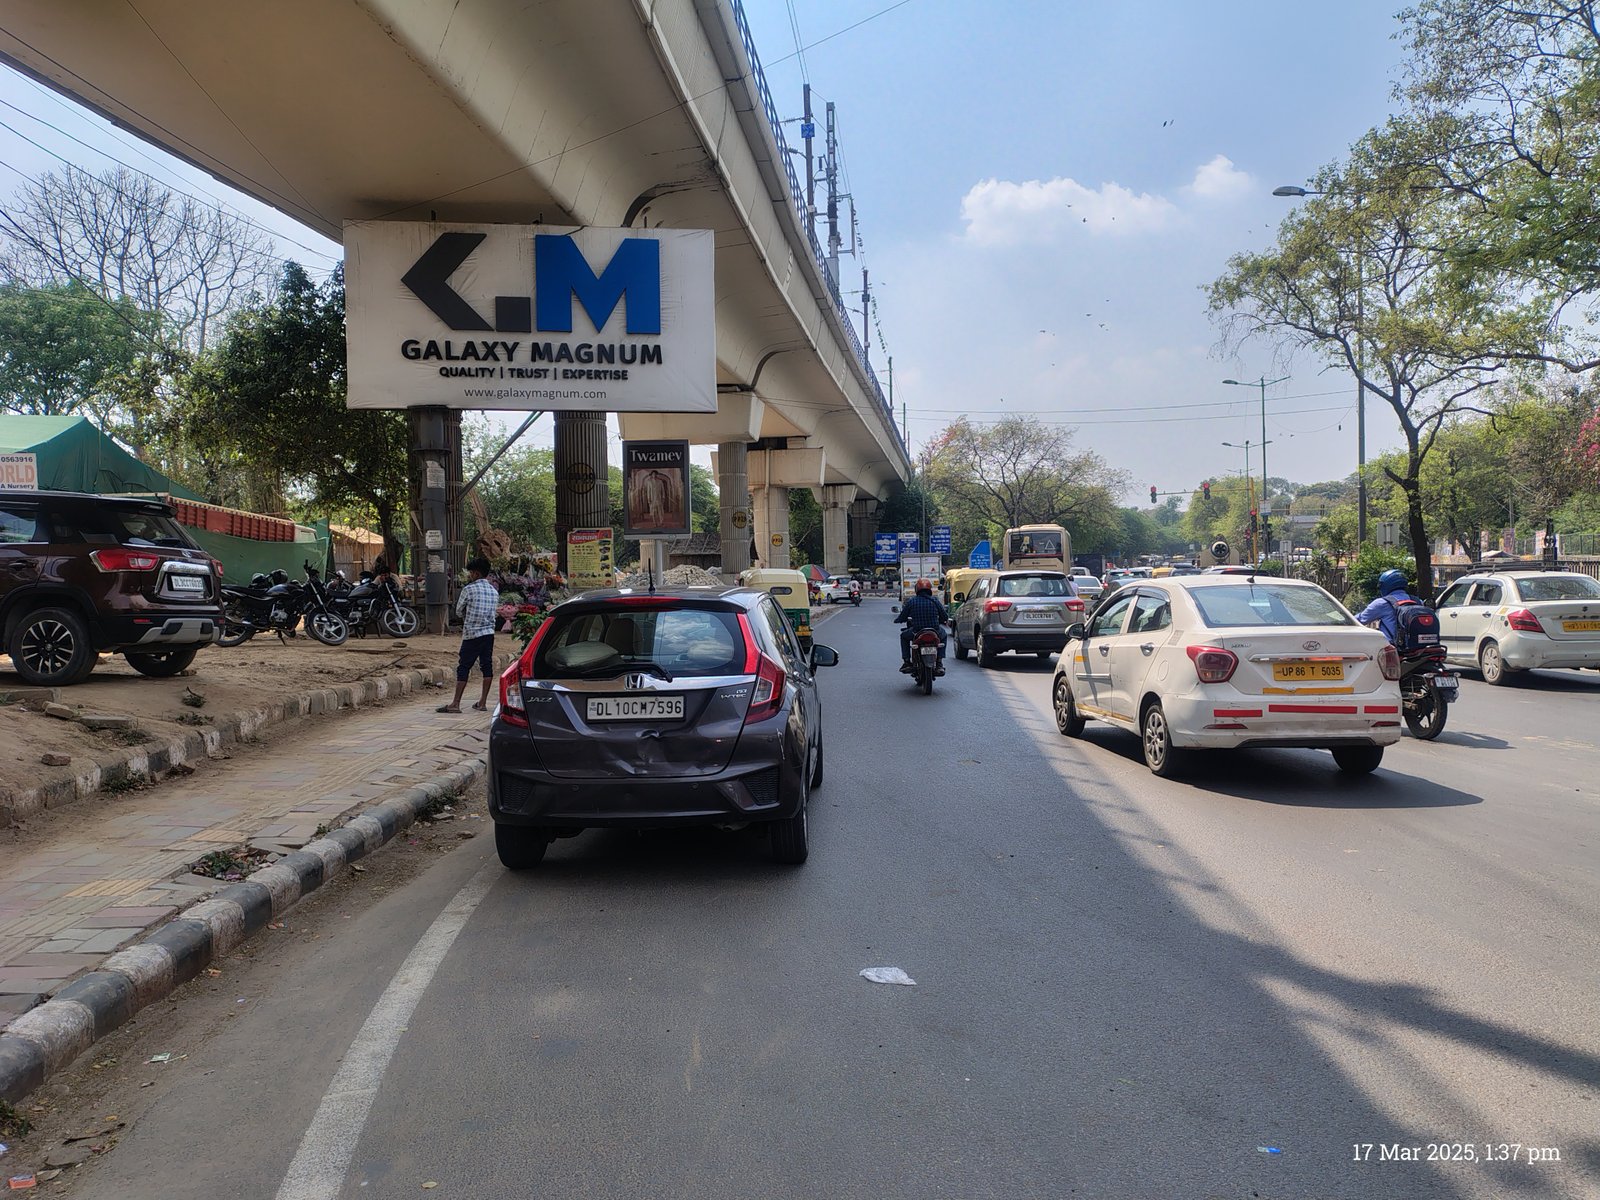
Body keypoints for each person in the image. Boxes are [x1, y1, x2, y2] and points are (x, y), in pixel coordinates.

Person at [439, 557, 499, 713]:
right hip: (489, 634)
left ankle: (456, 703)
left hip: (472, 634)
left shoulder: (468, 589)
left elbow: (459, 611)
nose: (470, 575)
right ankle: (482, 702)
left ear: (476, 573)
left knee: (464, 666)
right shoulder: (494, 591)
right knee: (487, 667)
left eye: (471, 572)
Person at [895, 577, 949, 674]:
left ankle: (907, 661)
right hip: (934, 631)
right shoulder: (935, 601)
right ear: (929, 589)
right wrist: (942, 620)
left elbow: (902, 616)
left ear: (917, 590)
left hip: (917, 631)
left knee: (903, 636)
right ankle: (940, 662)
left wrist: (898, 620)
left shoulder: (912, 601)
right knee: (944, 635)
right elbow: (944, 616)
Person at [1356, 569, 1419, 644]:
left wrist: (1344, 619)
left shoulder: (1382, 603)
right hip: (1421, 648)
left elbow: (1361, 620)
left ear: (1386, 585)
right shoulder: (1418, 601)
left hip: (1393, 649)